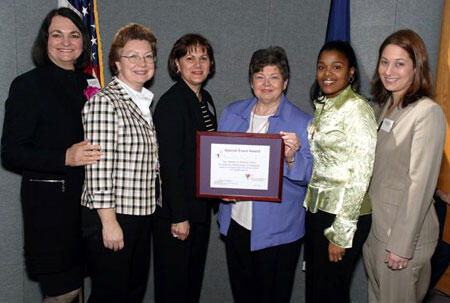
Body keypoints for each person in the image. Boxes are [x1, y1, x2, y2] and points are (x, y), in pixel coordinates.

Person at [1, 8, 101, 303]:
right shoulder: (28, 85)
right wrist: (63, 157)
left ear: (84, 41)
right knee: (64, 292)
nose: (66, 42)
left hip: (89, 208)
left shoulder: (89, 86)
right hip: (50, 212)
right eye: (57, 35)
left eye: (74, 35)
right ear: (45, 41)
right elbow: (11, 152)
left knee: (80, 286)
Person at [217, 46, 313, 303]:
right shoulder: (232, 114)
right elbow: (217, 165)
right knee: (243, 295)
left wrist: (292, 157)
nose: (266, 83)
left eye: (274, 77)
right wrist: (219, 189)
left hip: (279, 232)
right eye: (260, 76)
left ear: (286, 82)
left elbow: (311, 176)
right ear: (251, 82)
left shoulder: (302, 122)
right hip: (238, 224)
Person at [363, 29, 446, 303]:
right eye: (384, 62)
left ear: (417, 67)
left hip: (401, 240)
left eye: (400, 63)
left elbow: (419, 184)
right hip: (377, 232)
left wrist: (401, 245)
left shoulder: (427, 113)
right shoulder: (387, 106)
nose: (389, 70)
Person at [81, 23, 160, 303]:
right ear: (116, 63)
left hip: (140, 214)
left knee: (132, 292)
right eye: (133, 56)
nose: (142, 63)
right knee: (110, 295)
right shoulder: (106, 103)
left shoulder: (142, 103)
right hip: (114, 217)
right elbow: (98, 167)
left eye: (148, 56)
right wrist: (109, 221)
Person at [303, 40, 377, 303]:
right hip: (317, 211)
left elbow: (361, 174)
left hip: (343, 216)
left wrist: (341, 233)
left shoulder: (357, 109)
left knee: (330, 293)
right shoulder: (325, 105)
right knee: (315, 288)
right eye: (321, 67)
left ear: (351, 72)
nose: (327, 74)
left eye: (336, 67)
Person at [152, 33, 217, 303]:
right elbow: (169, 164)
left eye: (203, 57)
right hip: (177, 215)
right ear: (176, 64)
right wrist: (179, 216)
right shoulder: (171, 103)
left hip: (199, 209)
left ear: (211, 64)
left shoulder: (205, 99)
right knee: (174, 290)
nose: (197, 64)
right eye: (189, 58)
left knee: (190, 286)